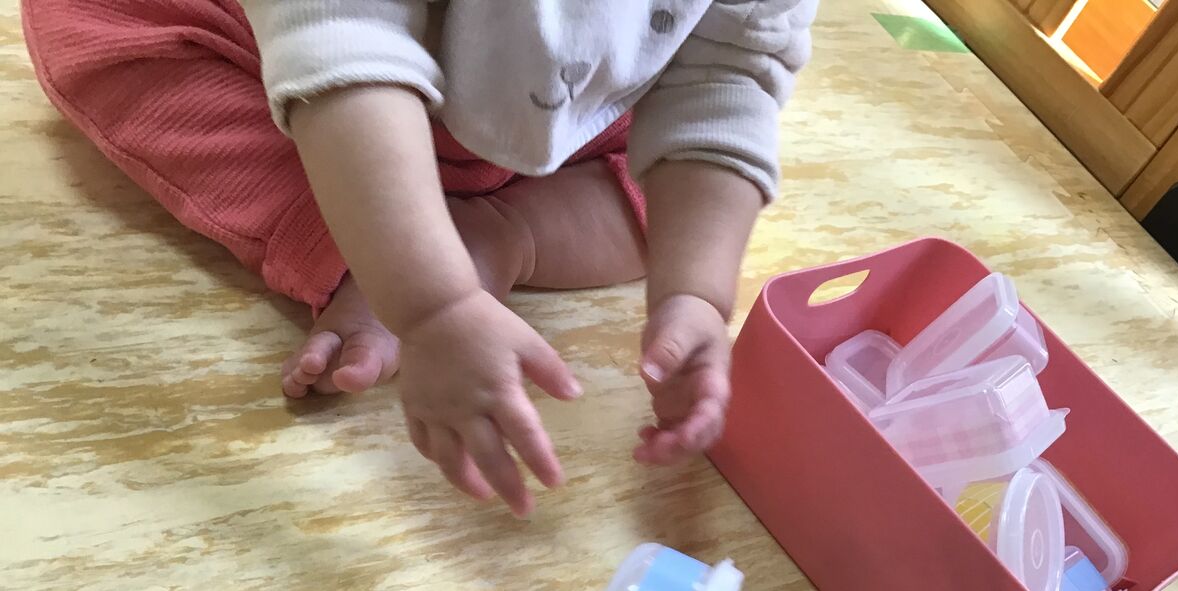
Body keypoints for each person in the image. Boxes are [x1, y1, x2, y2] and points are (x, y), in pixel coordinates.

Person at [23, 0, 816, 516]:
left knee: (684, 203)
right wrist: (430, 302)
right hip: (297, 46)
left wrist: (695, 291)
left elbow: (729, 74)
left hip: (562, 96)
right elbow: (337, 27)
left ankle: (494, 231)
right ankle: (359, 229)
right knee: (92, 23)